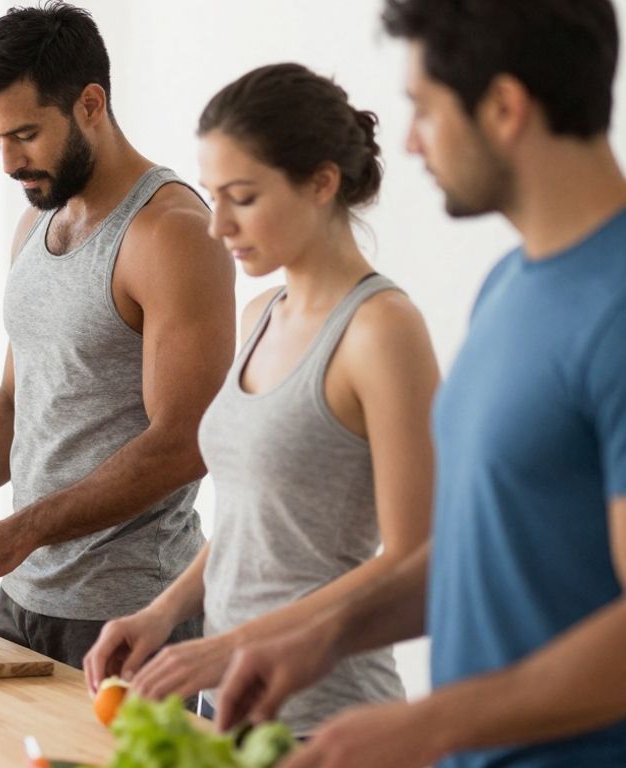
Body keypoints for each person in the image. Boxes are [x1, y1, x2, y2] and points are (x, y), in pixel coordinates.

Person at [214, 2, 626, 767]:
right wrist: (322, 638)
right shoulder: (510, 285)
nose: (405, 141)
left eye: (424, 110)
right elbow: (478, 552)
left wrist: (431, 724)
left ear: (504, 107)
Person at [0, 2, 236, 670]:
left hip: (129, 613)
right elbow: (16, 401)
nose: (9, 161)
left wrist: (19, 529)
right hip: (23, 598)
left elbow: (185, 444)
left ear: (90, 104)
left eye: (26, 134)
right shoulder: (37, 221)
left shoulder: (171, 232)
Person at [82, 63, 439, 733]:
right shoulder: (260, 315)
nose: (217, 226)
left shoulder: (382, 331)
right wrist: (163, 614)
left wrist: (231, 646)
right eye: (212, 195)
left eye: (241, 197)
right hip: (227, 703)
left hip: (329, 717)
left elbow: (414, 557)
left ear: (321, 183)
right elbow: (250, 522)